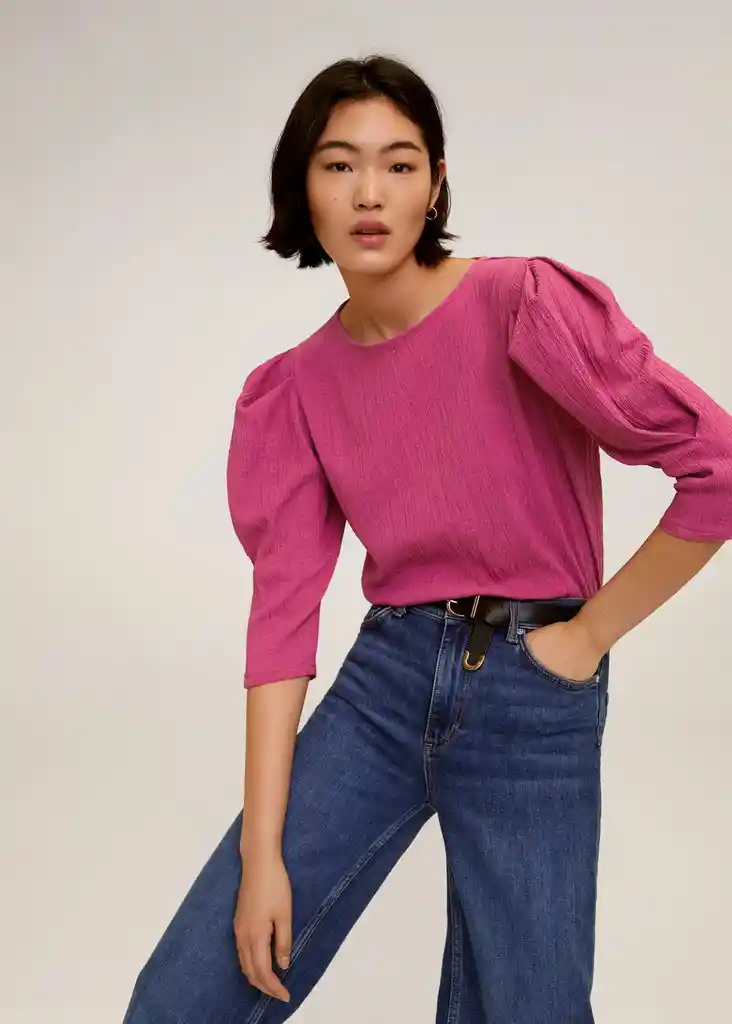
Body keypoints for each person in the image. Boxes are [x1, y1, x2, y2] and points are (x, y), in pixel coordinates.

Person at [122, 54, 732, 1024]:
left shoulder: (521, 305)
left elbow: (717, 466)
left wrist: (585, 637)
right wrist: (263, 854)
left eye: (399, 164)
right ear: (302, 187)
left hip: (536, 692)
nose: (370, 193)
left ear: (435, 184)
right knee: (184, 998)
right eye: (339, 165)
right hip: (386, 686)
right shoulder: (295, 388)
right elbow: (282, 620)